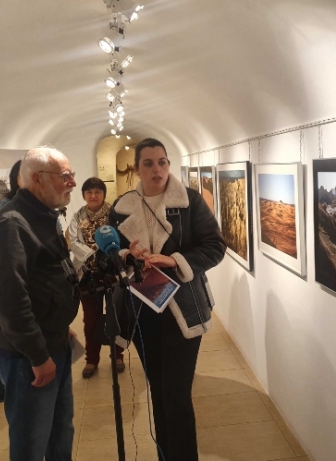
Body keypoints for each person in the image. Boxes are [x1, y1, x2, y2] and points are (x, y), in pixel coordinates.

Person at [109, 138, 226, 461]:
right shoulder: (121, 208)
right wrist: (126, 254)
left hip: (181, 308)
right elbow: (110, 255)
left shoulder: (188, 201)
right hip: (143, 309)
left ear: (168, 165)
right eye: (148, 163)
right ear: (136, 168)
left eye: (162, 162)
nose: (157, 169)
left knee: (176, 394)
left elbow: (215, 247)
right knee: (159, 392)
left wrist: (174, 261)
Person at [0, 147, 80, 461]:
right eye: (65, 176)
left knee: (59, 432)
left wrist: (59, 328)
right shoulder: (11, 225)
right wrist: (38, 355)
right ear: (39, 179)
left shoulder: (42, 217)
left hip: (52, 342)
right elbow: (11, 300)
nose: (73, 183)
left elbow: (48, 281)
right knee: (31, 443)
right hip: (27, 356)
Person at [69, 177, 125, 378]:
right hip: (87, 275)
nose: (93, 196)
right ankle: (91, 359)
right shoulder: (77, 217)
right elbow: (73, 242)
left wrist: (109, 257)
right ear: (84, 195)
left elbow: (121, 239)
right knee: (90, 320)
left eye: (97, 192)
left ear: (103, 194)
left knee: (115, 316)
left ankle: (117, 355)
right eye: (89, 192)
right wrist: (93, 255)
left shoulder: (114, 215)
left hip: (113, 274)